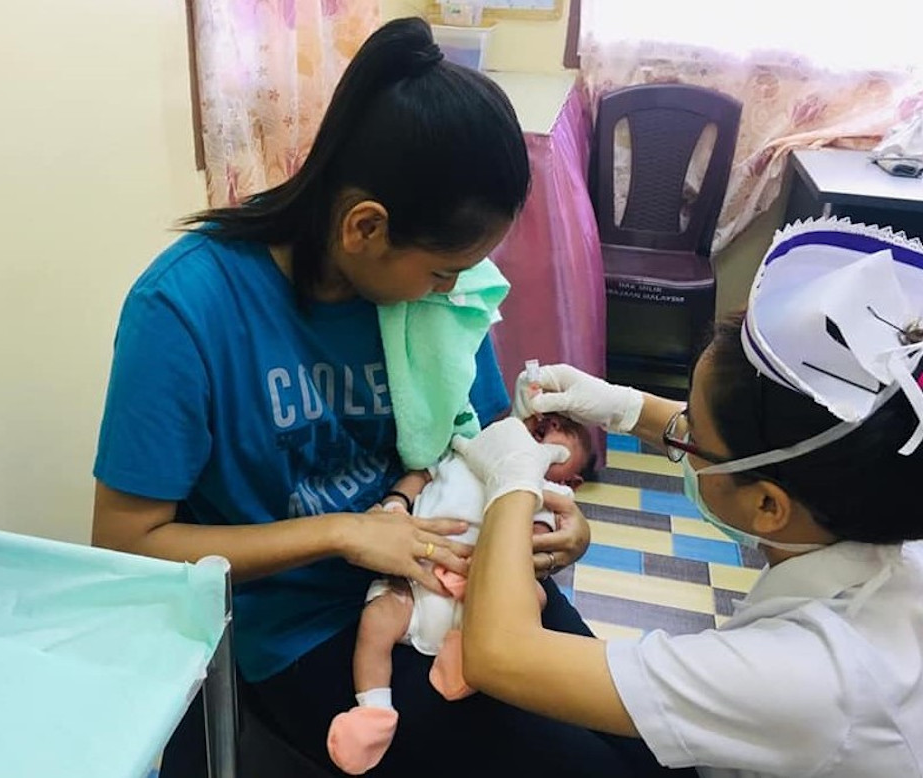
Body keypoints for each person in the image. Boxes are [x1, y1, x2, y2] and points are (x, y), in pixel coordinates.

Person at [91, 17, 678, 778]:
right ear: (365, 227)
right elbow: (128, 543)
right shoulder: (188, 309)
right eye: (441, 272)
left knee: (657, 746)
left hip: (457, 582)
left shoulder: (430, 304)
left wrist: (542, 511)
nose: (453, 293)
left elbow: (485, 430)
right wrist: (342, 534)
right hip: (309, 630)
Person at [453, 218, 923, 778]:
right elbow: (736, 449)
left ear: (769, 507)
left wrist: (513, 479)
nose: (680, 431)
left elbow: (498, 656)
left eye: (692, 428)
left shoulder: (816, 678)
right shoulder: (880, 515)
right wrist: (622, 406)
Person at [326, 412, 593, 775]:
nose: (556, 426)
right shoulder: (468, 449)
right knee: (376, 620)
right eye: (551, 422)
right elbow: (422, 474)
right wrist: (396, 504)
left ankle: (468, 656)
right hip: (414, 575)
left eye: (568, 433)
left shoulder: (548, 490)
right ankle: (373, 709)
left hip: (481, 592)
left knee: (535, 596)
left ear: (572, 479)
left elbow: (536, 541)